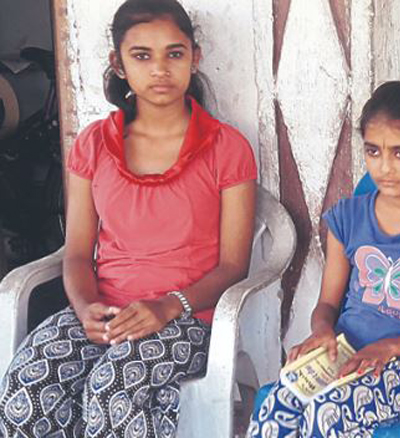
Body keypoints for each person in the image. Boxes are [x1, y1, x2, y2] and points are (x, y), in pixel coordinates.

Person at [0, 0, 257, 436]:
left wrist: (168, 306)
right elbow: (77, 253)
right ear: (118, 64)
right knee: (27, 387)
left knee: (111, 390)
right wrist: (85, 309)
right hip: (105, 309)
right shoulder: (93, 144)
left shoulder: (227, 148)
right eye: (142, 55)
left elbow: (234, 265)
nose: (160, 69)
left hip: (186, 321)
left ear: (195, 58)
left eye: (174, 53)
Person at [248, 81, 400, 437]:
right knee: (276, 407)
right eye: (373, 152)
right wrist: (322, 331)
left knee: (327, 414)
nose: (384, 167)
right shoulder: (348, 218)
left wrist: (389, 347)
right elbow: (328, 304)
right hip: (343, 354)